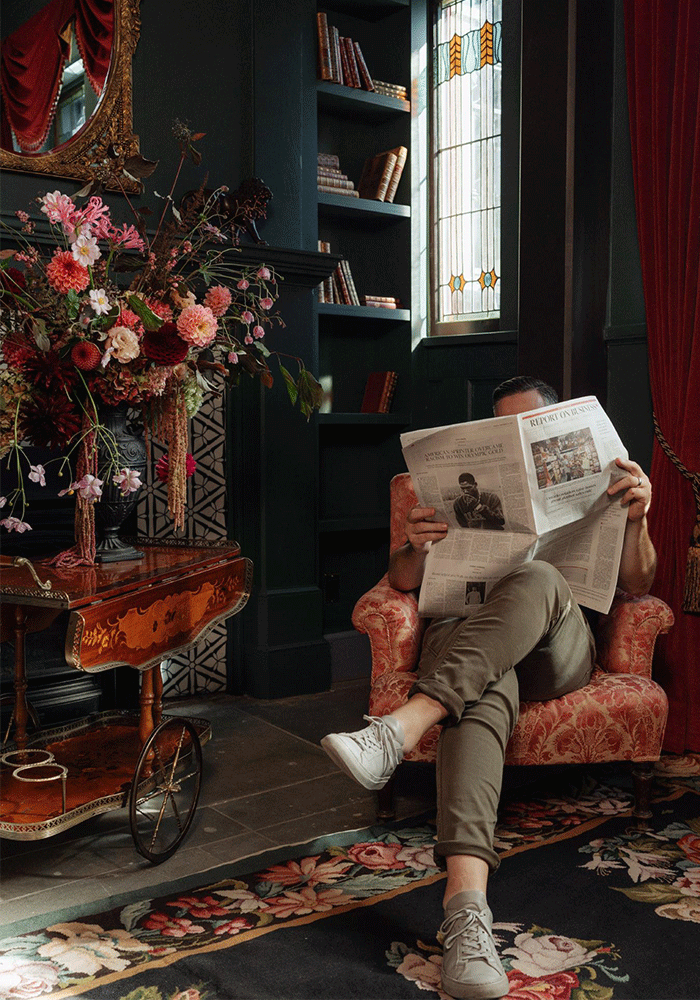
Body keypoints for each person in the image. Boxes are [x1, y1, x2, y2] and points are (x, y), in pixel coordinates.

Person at [321, 375, 656, 1000]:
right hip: (471, 641)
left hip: (557, 647)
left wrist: (637, 519)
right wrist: (415, 547)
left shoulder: (612, 477)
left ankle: (402, 727)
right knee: (478, 681)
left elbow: (638, 584)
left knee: (536, 579)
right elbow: (398, 581)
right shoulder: (445, 491)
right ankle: (466, 914)